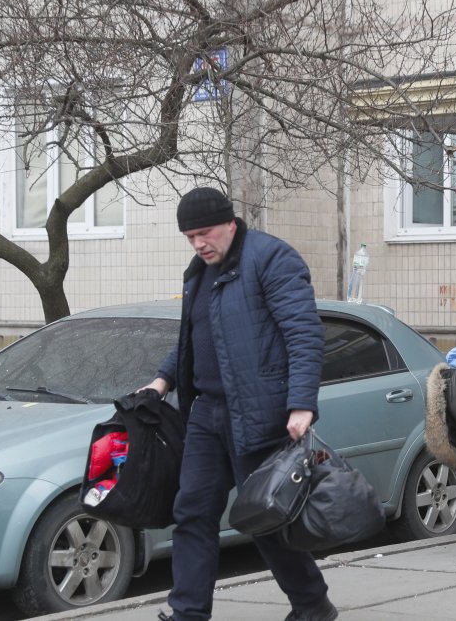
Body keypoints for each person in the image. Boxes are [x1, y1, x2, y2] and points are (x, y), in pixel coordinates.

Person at [141, 187, 336, 621]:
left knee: (264, 518)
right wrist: (161, 380)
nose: (199, 244)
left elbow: (304, 334)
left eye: (205, 233)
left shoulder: (272, 259)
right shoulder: (198, 271)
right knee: (192, 511)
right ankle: (188, 612)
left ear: (230, 223)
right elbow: (192, 340)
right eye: (190, 237)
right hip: (206, 414)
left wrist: (301, 403)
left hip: (260, 414)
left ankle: (311, 604)